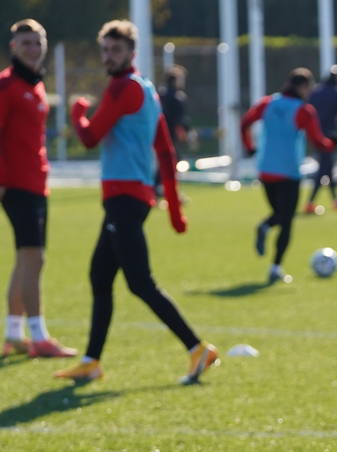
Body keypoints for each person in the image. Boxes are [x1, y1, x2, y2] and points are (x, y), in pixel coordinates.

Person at [55, 20, 217, 386]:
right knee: (100, 275)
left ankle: (197, 348)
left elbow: (90, 137)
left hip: (124, 198)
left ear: (131, 52)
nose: (108, 57)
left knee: (140, 283)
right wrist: (174, 209)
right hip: (134, 197)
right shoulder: (147, 90)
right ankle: (91, 361)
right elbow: (165, 151)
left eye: (115, 50)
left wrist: (77, 111)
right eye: (105, 50)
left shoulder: (121, 88)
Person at [0, 19, 75, 359]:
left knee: (25, 260)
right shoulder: (4, 85)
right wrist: (1, 180)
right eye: (26, 43)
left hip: (37, 182)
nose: (33, 49)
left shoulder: (35, 84)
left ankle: (14, 334)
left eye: (37, 42)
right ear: (13, 47)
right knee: (34, 259)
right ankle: (38, 336)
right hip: (18, 186)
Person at [240, 68, 337, 284]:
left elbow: (245, 122)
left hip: (266, 170)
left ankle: (265, 227)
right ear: (302, 87)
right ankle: (275, 267)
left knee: (279, 214)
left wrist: (249, 146)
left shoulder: (267, 103)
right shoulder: (304, 111)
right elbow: (318, 142)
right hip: (288, 171)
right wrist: (332, 143)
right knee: (286, 220)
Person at [305, 65, 337, 213]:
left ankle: (336, 200)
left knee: (328, 167)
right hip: (330, 135)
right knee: (324, 168)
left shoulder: (316, 91)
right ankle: (310, 202)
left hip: (315, 133)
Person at [160, 66, 192, 151]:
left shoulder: (160, 94)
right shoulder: (178, 97)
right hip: (173, 134)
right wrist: (185, 130)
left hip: (160, 134)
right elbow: (180, 118)